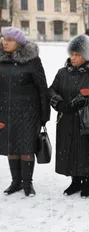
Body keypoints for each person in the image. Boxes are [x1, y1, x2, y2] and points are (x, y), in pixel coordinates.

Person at [49, 34, 89, 199]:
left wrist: (86, 102)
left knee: (87, 151)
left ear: (86, 55)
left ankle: (87, 183)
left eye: (78, 54)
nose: (73, 57)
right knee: (71, 150)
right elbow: (51, 90)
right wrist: (59, 103)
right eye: (72, 53)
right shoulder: (62, 73)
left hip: (87, 120)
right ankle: (75, 181)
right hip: (67, 118)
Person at [0, 27, 50, 197]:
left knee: (26, 148)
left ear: (19, 43)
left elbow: (42, 89)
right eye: (3, 38)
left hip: (29, 113)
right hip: (5, 111)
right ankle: (15, 182)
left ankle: (27, 184)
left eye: (9, 39)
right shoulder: (1, 59)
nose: (4, 42)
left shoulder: (32, 61)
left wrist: (44, 116)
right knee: (11, 146)